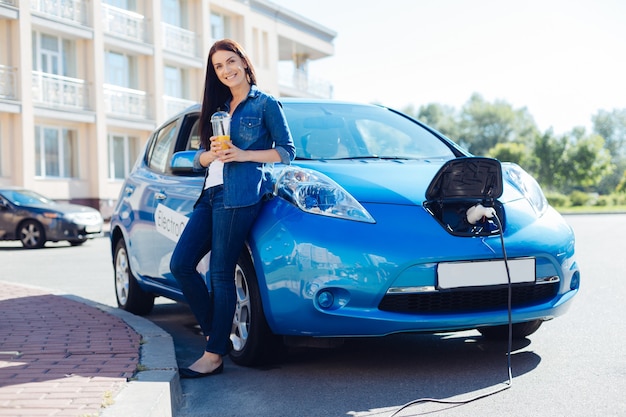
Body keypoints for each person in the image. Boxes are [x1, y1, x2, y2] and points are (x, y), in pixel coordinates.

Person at [170, 39, 296, 378]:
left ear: (243, 60)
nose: (226, 70)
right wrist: (208, 155)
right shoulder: (219, 108)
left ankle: (212, 356)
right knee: (181, 264)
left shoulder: (265, 104)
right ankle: (217, 335)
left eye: (230, 61)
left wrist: (244, 154)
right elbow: (201, 158)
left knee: (221, 273)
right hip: (209, 194)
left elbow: (287, 151)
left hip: (239, 195)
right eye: (218, 67)